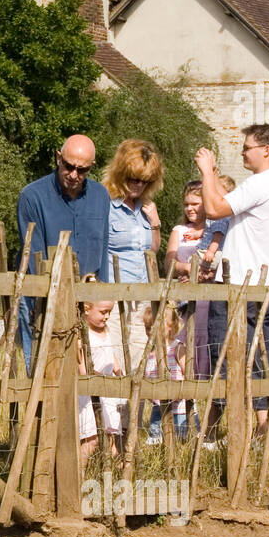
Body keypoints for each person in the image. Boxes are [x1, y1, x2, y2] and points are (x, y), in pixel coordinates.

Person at [196, 128, 269, 435]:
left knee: (224, 355)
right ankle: (261, 433)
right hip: (263, 286)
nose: (242, 153)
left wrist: (206, 172)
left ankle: (213, 434)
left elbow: (214, 208)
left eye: (246, 148)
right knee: (262, 358)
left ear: (266, 150)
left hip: (239, 285)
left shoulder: (260, 183)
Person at [16, 135, 110, 370]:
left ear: (92, 167)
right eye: (69, 166)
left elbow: (103, 247)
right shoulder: (32, 197)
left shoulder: (101, 196)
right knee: (43, 372)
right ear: (58, 158)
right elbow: (35, 259)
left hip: (88, 302)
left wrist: (102, 295)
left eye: (82, 170)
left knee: (88, 377)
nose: (74, 174)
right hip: (43, 301)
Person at [101, 139, 164, 374]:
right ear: (121, 173)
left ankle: (133, 412)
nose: (138, 185)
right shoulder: (105, 204)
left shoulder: (145, 208)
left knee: (139, 362)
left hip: (142, 296)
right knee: (113, 361)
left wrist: (155, 224)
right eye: (133, 178)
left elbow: (152, 251)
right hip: (115, 296)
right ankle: (112, 411)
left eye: (145, 181)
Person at [163, 179, 225, 380]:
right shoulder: (179, 231)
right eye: (186, 204)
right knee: (184, 348)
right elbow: (169, 264)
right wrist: (189, 268)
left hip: (209, 302)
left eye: (195, 204)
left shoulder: (216, 232)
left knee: (209, 349)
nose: (189, 208)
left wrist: (199, 275)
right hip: (186, 303)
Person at [77, 278, 122, 469]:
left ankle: (120, 473)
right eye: (103, 312)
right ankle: (77, 479)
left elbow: (110, 353)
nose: (107, 316)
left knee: (109, 436)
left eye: (109, 312)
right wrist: (97, 378)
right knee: (91, 439)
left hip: (107, 393)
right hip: (89, 396)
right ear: (87, 309)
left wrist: (117, 368)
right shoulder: (82, 335)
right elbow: (82, 369)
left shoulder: (106, 330)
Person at [142, 303, 188, 443]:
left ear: (172, 326)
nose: (151, 331)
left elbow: (188, 373)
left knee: (180, 440)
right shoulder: (150, 350)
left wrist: (181, 390)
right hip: (158, 406)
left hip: (179, 409)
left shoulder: (177, 348)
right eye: (148, 327)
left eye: (155, 328)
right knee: (156, 440)